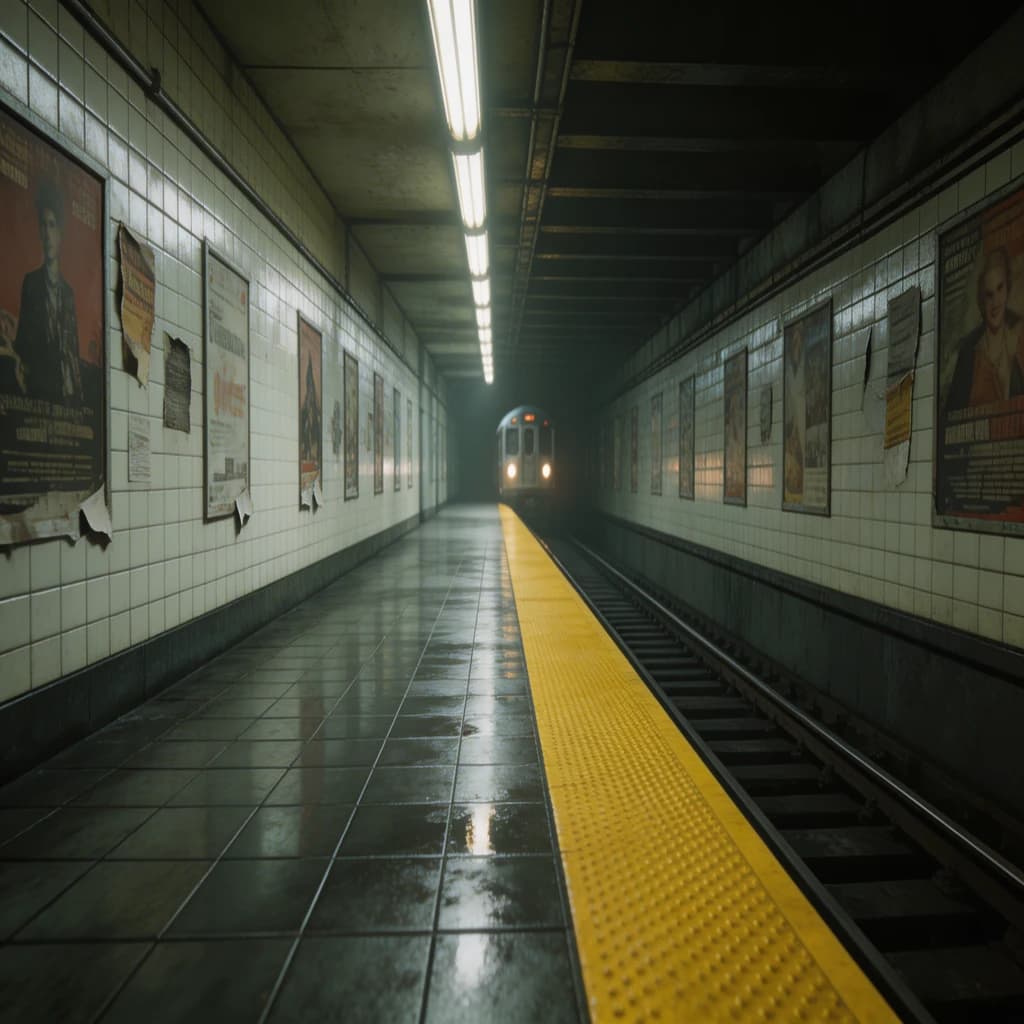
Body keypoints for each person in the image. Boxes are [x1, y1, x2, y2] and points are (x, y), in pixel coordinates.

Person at [2, 178, 82, 404]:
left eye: (52, 225)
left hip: (63, 394)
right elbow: (24, 342)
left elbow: (72, 355)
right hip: (38, 389)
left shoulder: (68, 294)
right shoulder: (31, 284)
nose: (47, 234)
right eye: (43, 225)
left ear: (61, 234)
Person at [946, 247, 1024, 412]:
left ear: (1008, 289)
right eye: (989, 294)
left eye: (1000, 288)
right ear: (982, 299)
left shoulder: (1019, 338)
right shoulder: (968, 352)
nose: (995, 302)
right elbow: (952, 414)